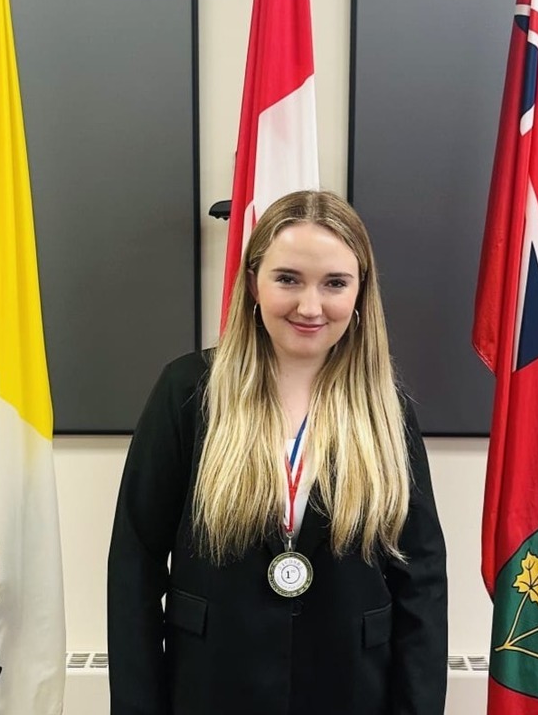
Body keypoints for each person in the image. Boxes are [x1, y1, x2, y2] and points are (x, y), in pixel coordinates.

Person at [107, 190, 448, 715]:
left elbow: (420, 578)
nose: (310, 306)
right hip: (212, 686)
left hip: (353, 689)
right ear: (253, 283)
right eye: (287, 278)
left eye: (335, 283)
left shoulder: (386, 408)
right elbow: (135, 566)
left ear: (360, 293)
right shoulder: (188, 391)